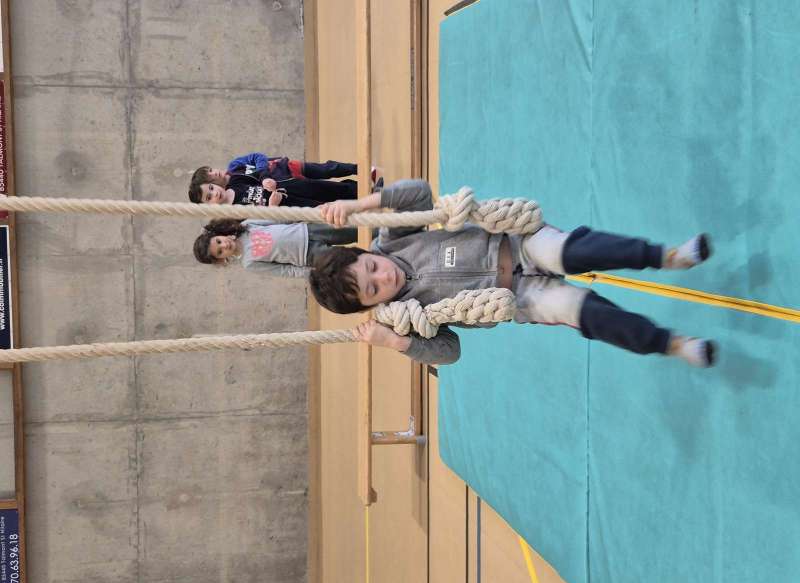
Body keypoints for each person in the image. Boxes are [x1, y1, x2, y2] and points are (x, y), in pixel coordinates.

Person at [309, 179, 717, 368]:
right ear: (368, 305)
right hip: (521, 299)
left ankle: (668, 256)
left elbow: (417, 193)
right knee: (588, 314)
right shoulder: (404, 317)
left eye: (372, 268)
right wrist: (396, 342)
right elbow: (449, 352)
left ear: (366, 253)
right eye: (372, 290)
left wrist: (360, 205)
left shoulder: (394, 239)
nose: (383, 279)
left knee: (574, 251)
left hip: (520, 244)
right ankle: (673, 344)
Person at [188, 152, 382, 207]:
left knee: (327, 169)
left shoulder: (235, 169)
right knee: (328, 194)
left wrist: (265, 175)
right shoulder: (233, 205)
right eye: (209, 195)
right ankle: (366, 191)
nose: (215, 174)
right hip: (290, 194)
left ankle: (363, 170)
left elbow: (258, 157)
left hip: (287, 170)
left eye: (211, 171)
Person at [193, 218, 358, 278]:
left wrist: (305, 215)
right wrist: (310, 273)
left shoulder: (247, 226)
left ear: (219, 235)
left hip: (309, 230)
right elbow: (284, 271)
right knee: (349, 259)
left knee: (353, 231)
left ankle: (375, 232)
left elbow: (278, 220)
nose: (224, 246)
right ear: (221, 259)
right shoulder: (248, 262)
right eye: (220, 251)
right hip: (309, 255)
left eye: (219, 241)